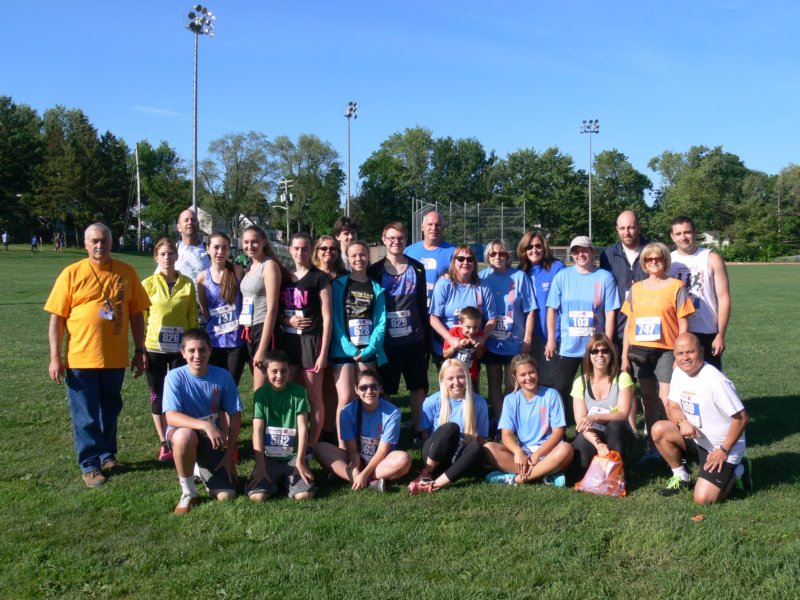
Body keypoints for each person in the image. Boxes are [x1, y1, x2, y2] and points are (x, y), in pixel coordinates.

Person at [45, 223, 150, 488]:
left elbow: (137, 314)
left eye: (104, 240)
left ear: (111, 243)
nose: (99, 245)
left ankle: (107, 456)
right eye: (94, 241)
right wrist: (55, 357)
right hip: (81, 359)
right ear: (86, 244)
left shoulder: (126, 272)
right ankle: (90, 464)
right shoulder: (71, 273)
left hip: (114, 359)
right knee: (86, 414)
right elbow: (57, 319)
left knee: (110, 410)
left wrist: (139, 350)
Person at [651, 333, 750, 503]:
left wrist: (723, 450)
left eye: (690, 352)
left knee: (703, 499)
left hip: (722, 448)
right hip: (698, 439)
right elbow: (673, 406)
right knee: (659, 429)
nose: (685, 358)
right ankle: (681, 476)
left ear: (702, 351)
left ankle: (739, 470)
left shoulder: (716, 381)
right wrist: (682, 422)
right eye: (680, 353)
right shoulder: (679, 373)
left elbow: (742, 418)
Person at [620, 242, 695, 458]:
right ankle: (653, 446)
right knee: (647, 398)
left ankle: (674, 445)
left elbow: (683, 323)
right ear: (644, 263)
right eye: (649, 259)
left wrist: (680, 355)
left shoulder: (676, 286)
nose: (653, 262)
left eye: (658, 258)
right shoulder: (636, 288)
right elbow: (629, 324)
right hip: (640, 351)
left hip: (666, 351)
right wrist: (624, 356)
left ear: (665, 260)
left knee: (666, 400)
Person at [163, 328, 242, 514]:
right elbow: (171, 416)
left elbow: (235, 416)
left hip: (212, 438)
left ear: (210, 351)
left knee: (226, 495)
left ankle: (200, 468)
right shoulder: (174, 377)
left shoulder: (222, 376)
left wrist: (229, 454)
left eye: (202, 350)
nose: (197, 355)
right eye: (191, 351)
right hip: (184, 433)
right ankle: (188, 492)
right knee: (185, 436)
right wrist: (206, 425)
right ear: (183, 353)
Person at [367, 222, 430, 447]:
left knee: (418, 387)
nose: (396, 242)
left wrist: (426, 339)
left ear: (406, 240)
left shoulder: (417, 268)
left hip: (414, 340)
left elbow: (422, 305)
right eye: (391, 238)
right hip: (387, 344)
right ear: (384, 239)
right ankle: (384, 433)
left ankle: (420, 430)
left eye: (400, 238)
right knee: (385, 389)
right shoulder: (374, 271)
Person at [545, 236, 619, 417]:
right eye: (576, 251)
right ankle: (562, 421)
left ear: (592, 251)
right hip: (569, 345)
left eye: (584, 250)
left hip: (594, 346)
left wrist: (607, 343)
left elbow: (610, 312)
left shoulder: (605, 277)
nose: (580, 254)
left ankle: (593, 420)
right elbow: (552, 309)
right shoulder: (562, 276)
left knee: (594, 386)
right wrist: (551, 339)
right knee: (562, 385)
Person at [142, 238, 198, 461]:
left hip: (180, 349)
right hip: (154, 348)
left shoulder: (187, 284)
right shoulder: (148, 284)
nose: (167, 258)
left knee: (179, 394)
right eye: (163, 254)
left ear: (177, 256)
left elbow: (192, 316)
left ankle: (178, 435)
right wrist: (141, 349)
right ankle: (164, 442)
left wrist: (192, 345)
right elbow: (142, 318)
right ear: (156, 257)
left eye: (171, 253)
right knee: (157, 394)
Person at [314, 369, 412, 492]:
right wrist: (356, 470)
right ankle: (367, 481)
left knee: (404, 459)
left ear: (380, 388)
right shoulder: (346, 412)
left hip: (381, 461)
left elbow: (382, 451)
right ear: (356, 390)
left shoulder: (393, 413)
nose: (369, 391)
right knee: (320, 448)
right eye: (363, 388)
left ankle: (351, 477)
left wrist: (364, 474)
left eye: (373, 387)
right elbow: (352, 450)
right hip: (356, 458)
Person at [484, 354, 573, 486]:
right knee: (489, 448)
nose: (528, 377)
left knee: (566, 448)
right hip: (524, 454)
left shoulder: (551, 395)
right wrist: (518, 451)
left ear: (537, 372)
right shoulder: (510, 400)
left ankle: (517, 479)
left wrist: (537, 454)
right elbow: (506, 435)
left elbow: (558, 432)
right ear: (515, 377)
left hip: (549, 451)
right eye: (523, 375)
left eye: (531, 372)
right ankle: (545, 475)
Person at [330, 240, 387, 445]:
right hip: (343, 350)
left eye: (362, 254)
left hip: (367, 350)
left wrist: (371, 348)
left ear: (368, 256)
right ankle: (343, 445)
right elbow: (335, 319)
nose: (358, 259)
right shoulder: (339, 285)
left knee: (366, 397)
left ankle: (365, 442)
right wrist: (348, 347)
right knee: (346, 398)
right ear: (347, 258)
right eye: (353, 255)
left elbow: (381, 322)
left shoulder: (376, 288)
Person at [279, 232, 333, 449]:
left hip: (311, 341)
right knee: (290, 393)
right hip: (288, 342)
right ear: (290, 250)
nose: (300, 252)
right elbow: (276, 312)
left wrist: (323, 354)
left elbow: (328, 318)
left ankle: (312, 444)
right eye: (296, 248)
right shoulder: (284, 277)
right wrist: (287, 320)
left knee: (313, 395)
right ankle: (292, 439)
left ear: (311, 251)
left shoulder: (319, 278)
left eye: (305, 248)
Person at [408, 359, 490, 495]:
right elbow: (425, 434)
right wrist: (432, 455)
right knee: (451, 428)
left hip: (459, 457)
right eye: (450, 378)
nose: (456, 382)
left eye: (461, 377)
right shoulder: (432, 401)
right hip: (434, 456)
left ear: (467, 378)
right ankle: (426, 473)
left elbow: (481, 438)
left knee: (477, 447)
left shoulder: (479, 402)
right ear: (442, 380)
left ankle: (434, 485)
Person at [480, 239, 537, 425]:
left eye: (502, 253)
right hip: (491, 341)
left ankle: (511, 419)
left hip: (515, 342)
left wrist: (527, 339)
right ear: (488, 257)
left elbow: (530, 310)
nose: (498, 257)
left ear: (508, 256)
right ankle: (500, 421)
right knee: (494, 380)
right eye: (493, 253)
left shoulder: (519, 277)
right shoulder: (482, 277)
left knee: (513, 383)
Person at [246, 350, 316, 501]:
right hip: (268, 458)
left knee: (304, 495)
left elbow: (303, 428)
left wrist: (300, 460)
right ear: (266, 372)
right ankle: (274, 478)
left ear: (289, 370)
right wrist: (260, 465)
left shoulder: (298, 392)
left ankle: (289, 479)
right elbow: (257, 430)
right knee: (257, 497)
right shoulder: (261, 395)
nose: (279, 376)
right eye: (274, 371)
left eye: (283, 371)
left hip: (293, 457)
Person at [669, 216, 731, 371]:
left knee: (710, 378)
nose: (683, 237)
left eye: (687, 232)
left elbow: (724, 298)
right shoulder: (668, 261)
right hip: (677, 332)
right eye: (678, 234)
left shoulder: (711, 258)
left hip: (707, 330)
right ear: (672, 236)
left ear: (695, 233)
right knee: (680, 381)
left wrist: (720, 335)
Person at [570, 334, 635, 473]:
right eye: (595, 351)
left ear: (611, 354)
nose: (600, 355)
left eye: (605, 350)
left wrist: (594, 417)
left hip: (617, 431)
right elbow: (581, 424)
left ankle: (618, 469)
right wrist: (598, 444)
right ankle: (600, 466)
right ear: (589, 355)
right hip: (592, 433)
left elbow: (623, 414)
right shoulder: (580, 382)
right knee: (582, 463)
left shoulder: (622, 378)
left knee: (614, 426)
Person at [430, 244, 498, 368]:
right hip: (448, 347)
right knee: (450, 380)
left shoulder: (482, 285)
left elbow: (492, 318)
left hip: (471, 348)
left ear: (474, 263)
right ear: (454, 261)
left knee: (472, 380)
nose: (465, 262)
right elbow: (433, 318)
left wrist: (482, 339)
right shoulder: (444, 284)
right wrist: (450, 339)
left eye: (470, 259)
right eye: (461, 259)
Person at [196, 232, 249, 385]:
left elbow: (245, 301)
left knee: (231, 385)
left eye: (224, 248)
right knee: (214, 385)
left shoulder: (238, 271)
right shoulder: (202, 277)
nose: (220, 252)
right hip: (214, 341)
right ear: (208, 249)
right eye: (216, 247)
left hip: (236, 341)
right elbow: (204, 308)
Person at [516, 231, 565, 387]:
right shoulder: (520, 270)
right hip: (526, 335)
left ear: (544, 248)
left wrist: (553, 337)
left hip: (549, 335)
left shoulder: (556, 268)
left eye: (538, 246)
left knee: (549, 378)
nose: (534, 250)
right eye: (529, 247)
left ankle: (555, 403)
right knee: (528, 378)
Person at [240, 225, 283, 392]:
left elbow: (272, 308)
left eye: (254, 242)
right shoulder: (250, 267)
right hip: (249, 330)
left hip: (264, 329)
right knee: (263, 388)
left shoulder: (269, 265)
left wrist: (262, 348)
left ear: (264, 242)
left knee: (261, 389)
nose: (249, 246)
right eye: (246, 242)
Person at [405, 210, 455, 306]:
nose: (434, 228)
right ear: (422, 227)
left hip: (440, 309)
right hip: (414, 308)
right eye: (430, 224)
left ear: (443, 228)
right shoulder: (409, 252)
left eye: (438, 225)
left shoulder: (453, 253)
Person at [442, 306, 485, 391]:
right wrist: (455, 347)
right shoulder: (453, 333)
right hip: (454, 375)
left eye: (475, 327)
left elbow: (479, 356)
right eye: (468, 327)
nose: (471, 331)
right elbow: (445, 354)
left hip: (470, 375)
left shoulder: (479, 335)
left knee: (471, 397)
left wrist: (477, 347)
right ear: (460, 324)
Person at [173, 209, 210, 284]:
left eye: (193, 220)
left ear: (198, 225)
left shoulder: (209, 250)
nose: (190, 222)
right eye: (186, 220)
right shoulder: (172, 250)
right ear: (179, 227)